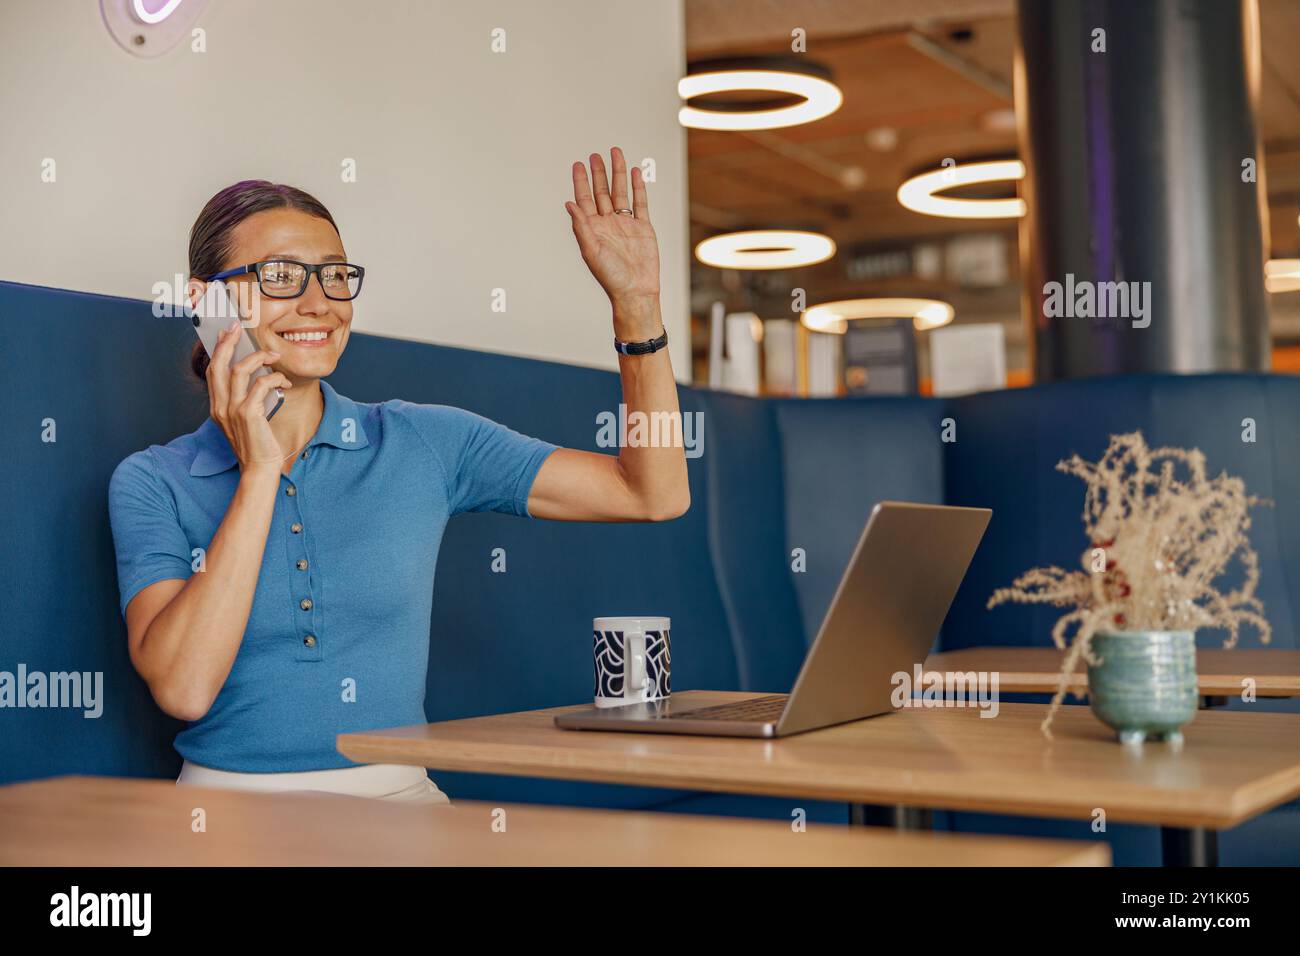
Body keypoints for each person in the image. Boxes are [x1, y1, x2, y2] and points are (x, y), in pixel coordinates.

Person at [108, 148, 688, 805]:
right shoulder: (152, 481)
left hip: (399, 803)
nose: (318, 302)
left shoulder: (421, 441)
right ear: (205, 301)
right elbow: (184, 688)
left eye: (334, 276)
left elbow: (653, 492)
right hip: (221, 813)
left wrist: (637, 310)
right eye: (279, 276)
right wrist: (261, 470)